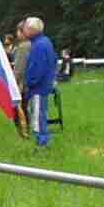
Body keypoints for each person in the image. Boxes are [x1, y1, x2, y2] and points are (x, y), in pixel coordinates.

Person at [22, 17, 58, 147]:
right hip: (44, 85)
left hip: (38, 88)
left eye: (25, 28)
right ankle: (43, 141)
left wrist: (29, 82)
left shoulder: (39, 45)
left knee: (37, 117)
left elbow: (37, 68)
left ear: (31, 29)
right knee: (41, 113)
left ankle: (42, 144)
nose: (23, 30)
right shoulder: (45, 42)